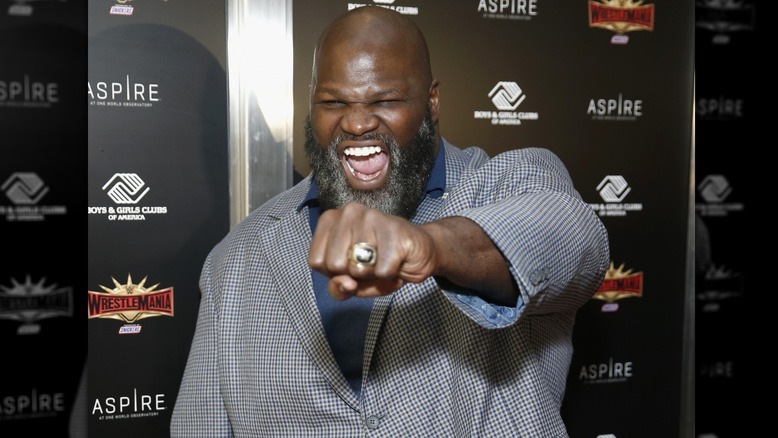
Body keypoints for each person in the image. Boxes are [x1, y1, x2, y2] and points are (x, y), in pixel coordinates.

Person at [171, 5, 609, 437]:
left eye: (385, 100)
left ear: (432, 101)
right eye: (333, 101)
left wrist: (431, 246)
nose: (358, 121)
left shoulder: (510, 184)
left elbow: (575, 242)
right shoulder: (238, 257)